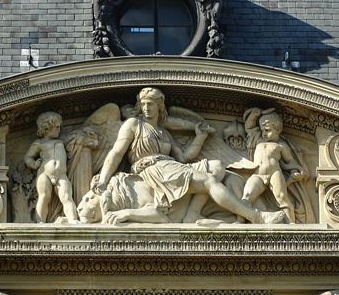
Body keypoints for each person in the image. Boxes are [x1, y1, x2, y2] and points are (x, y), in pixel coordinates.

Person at [94, 87, 286, 224]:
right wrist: (103, 180)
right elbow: (116, 153)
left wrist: (200, 137)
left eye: (150, 104)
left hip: (171, 167)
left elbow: (184, 157)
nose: (146, 108)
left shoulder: (164, 133)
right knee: (209, 181)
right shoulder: (134, 124)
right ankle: (256, 216)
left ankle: (193, 214)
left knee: (217, 167)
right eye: (143, 104)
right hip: (152, 169)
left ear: (160, 106)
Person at [241, 108, 303, 222]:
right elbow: (248, 127)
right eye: (262, 130)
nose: (264, 133)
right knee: (246, 197)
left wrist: (294, 171)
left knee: (282, 199)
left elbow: (291, 161)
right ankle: (239, 222)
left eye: (267, 130)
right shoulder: (258, 140)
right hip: (257, 175)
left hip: (274, 173)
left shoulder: (281, 145)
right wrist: (255, 113)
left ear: (278, 129)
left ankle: (292, 224)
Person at [24, 111, 78, 223]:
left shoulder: (61, 142)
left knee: (67, 197)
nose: (59, 130)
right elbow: (28, 157)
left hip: (61, 175)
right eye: (56, 127)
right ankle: (40, 222)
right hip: (44, 174)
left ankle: (73, 220)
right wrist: (34, 164)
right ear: (46, 128)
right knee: (44, 197)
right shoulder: (39, 143)